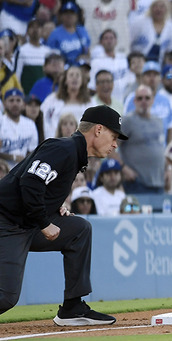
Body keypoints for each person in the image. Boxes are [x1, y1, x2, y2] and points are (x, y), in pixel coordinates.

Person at [0, 105, 126, 325]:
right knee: (6, 297)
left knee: (79, 229)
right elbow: (30, 182)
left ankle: (73, 308)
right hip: (7, 223)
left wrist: (51, 207)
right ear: (98, 130)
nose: (115, 144)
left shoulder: (73, 154)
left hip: (24, 223)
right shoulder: (64, 148)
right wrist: (43, 221)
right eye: (113, 136)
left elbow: (38, 184)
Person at [118, 85, 166, 194]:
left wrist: (168, 170)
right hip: (137, 183)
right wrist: (124, 168)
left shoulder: (158, 122)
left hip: (159, 182)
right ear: (134, 101)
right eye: (140, 98)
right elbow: (109, 148)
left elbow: (161, 150)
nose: (143, 101)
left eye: (147, 98)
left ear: (152, 101)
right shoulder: (127, 121)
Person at [0, 89, 39, 167]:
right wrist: (12, 157)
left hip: (22, 171)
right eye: (11, 100)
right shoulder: (1, 122)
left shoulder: (30, 124)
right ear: (4, 104)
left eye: (18, 100)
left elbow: (33, 151)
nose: (15, 104)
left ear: (23, 104)